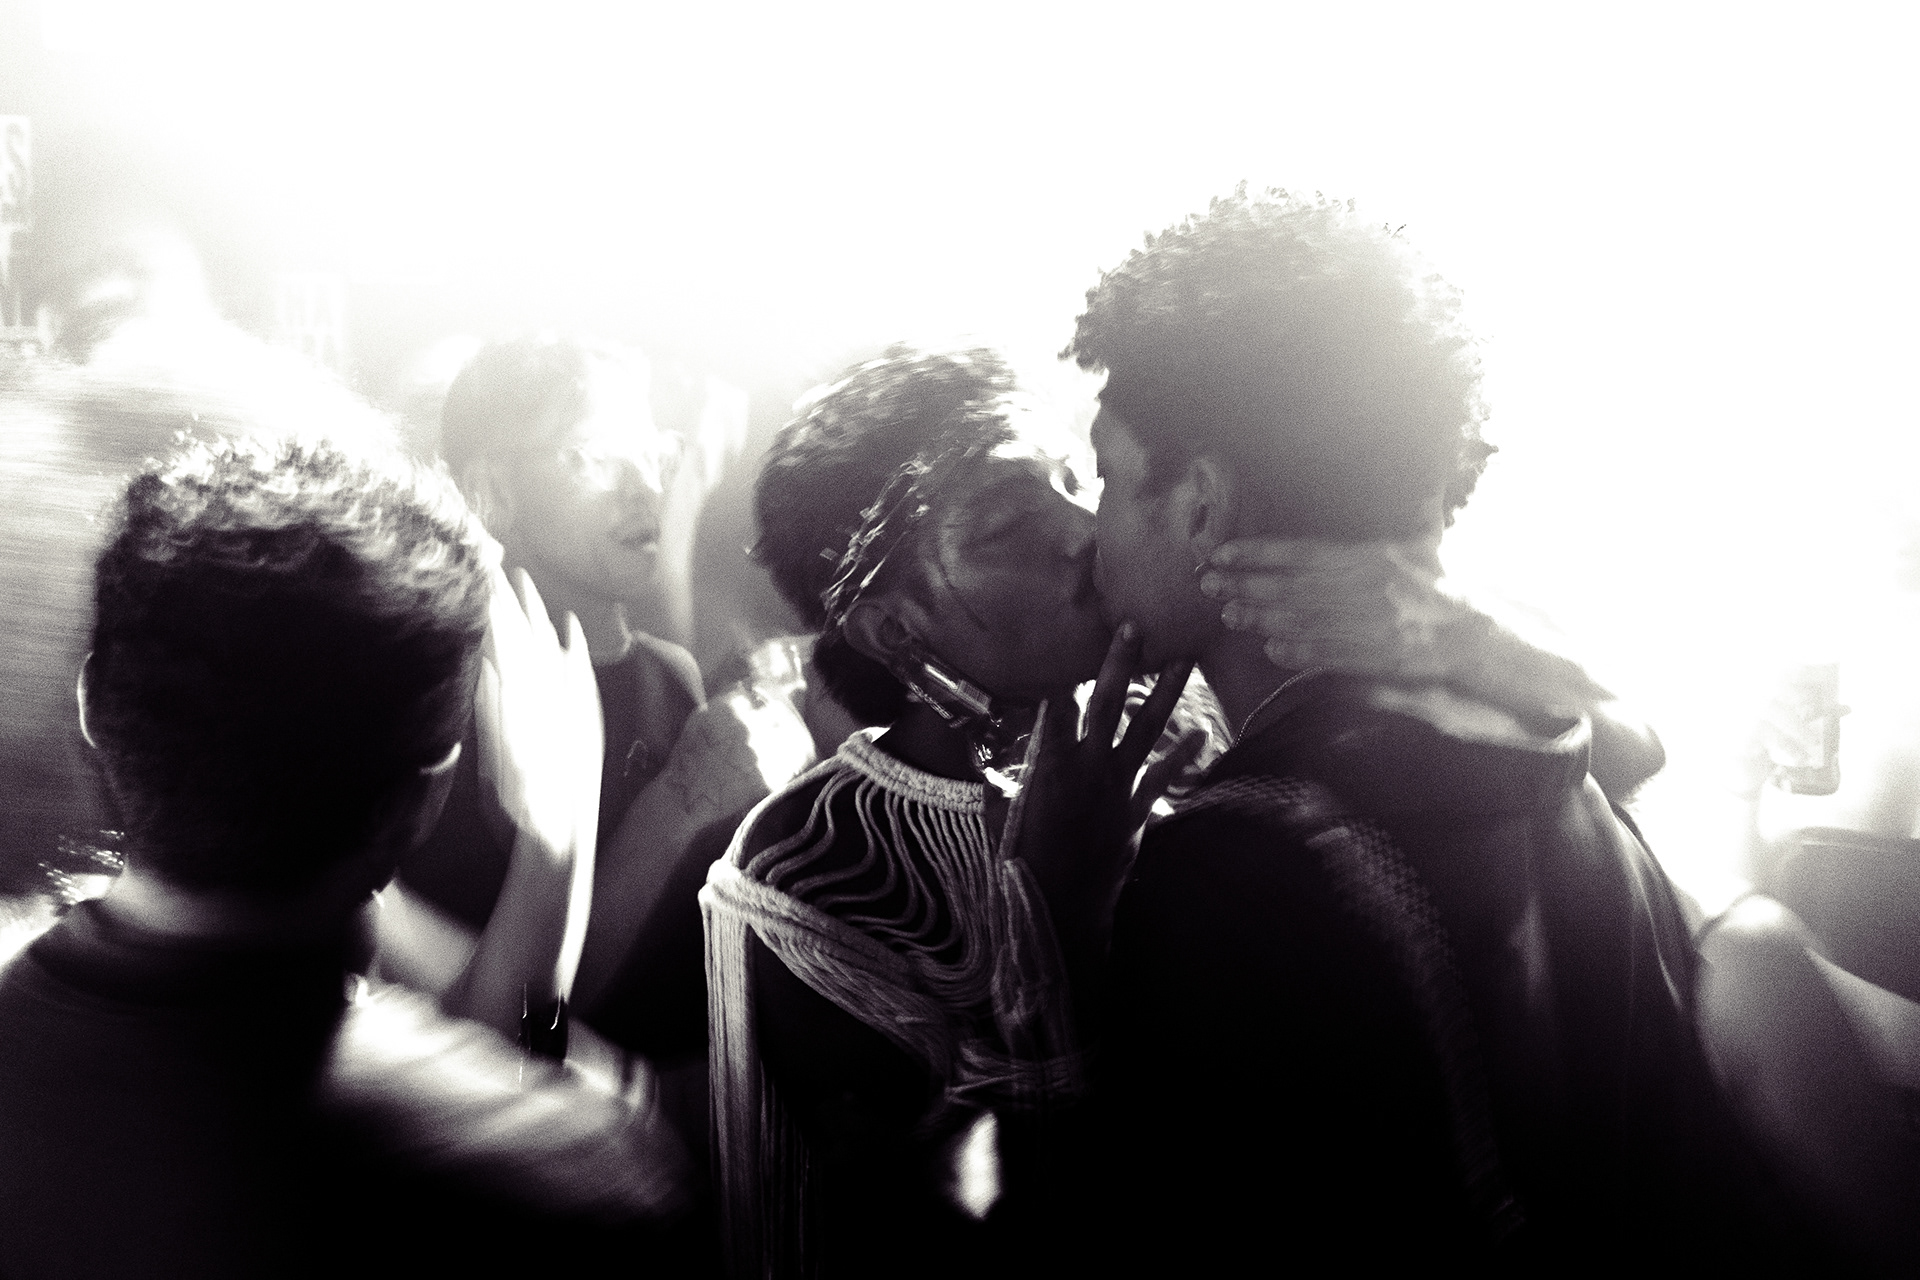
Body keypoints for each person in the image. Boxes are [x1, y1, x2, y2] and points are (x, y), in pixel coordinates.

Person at [1066, 187, 1793, 1269]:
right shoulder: (1538, 715)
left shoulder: (1229, 866)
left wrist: (1065, 929)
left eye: (1107, 478)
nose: (1087, 533)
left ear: (1202, 505)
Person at [0, 392, 688, 1277]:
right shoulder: (549, 1174)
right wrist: (555, 857)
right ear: (422, 799)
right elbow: (529, 1059)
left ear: (93, 707)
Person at [699, 345, 1193, 1277]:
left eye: (1076, 482)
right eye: (1009, 525)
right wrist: (1054, 934)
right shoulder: (812, 876)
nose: (1085, 530)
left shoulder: (1194, 716)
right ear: (894, 629)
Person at [385, 334, 707, 994]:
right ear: (490, 492)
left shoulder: (673, 680)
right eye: (594, 456)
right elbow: (497, 1013)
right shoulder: (438, 698)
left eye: (654, 452)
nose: (646, 486)